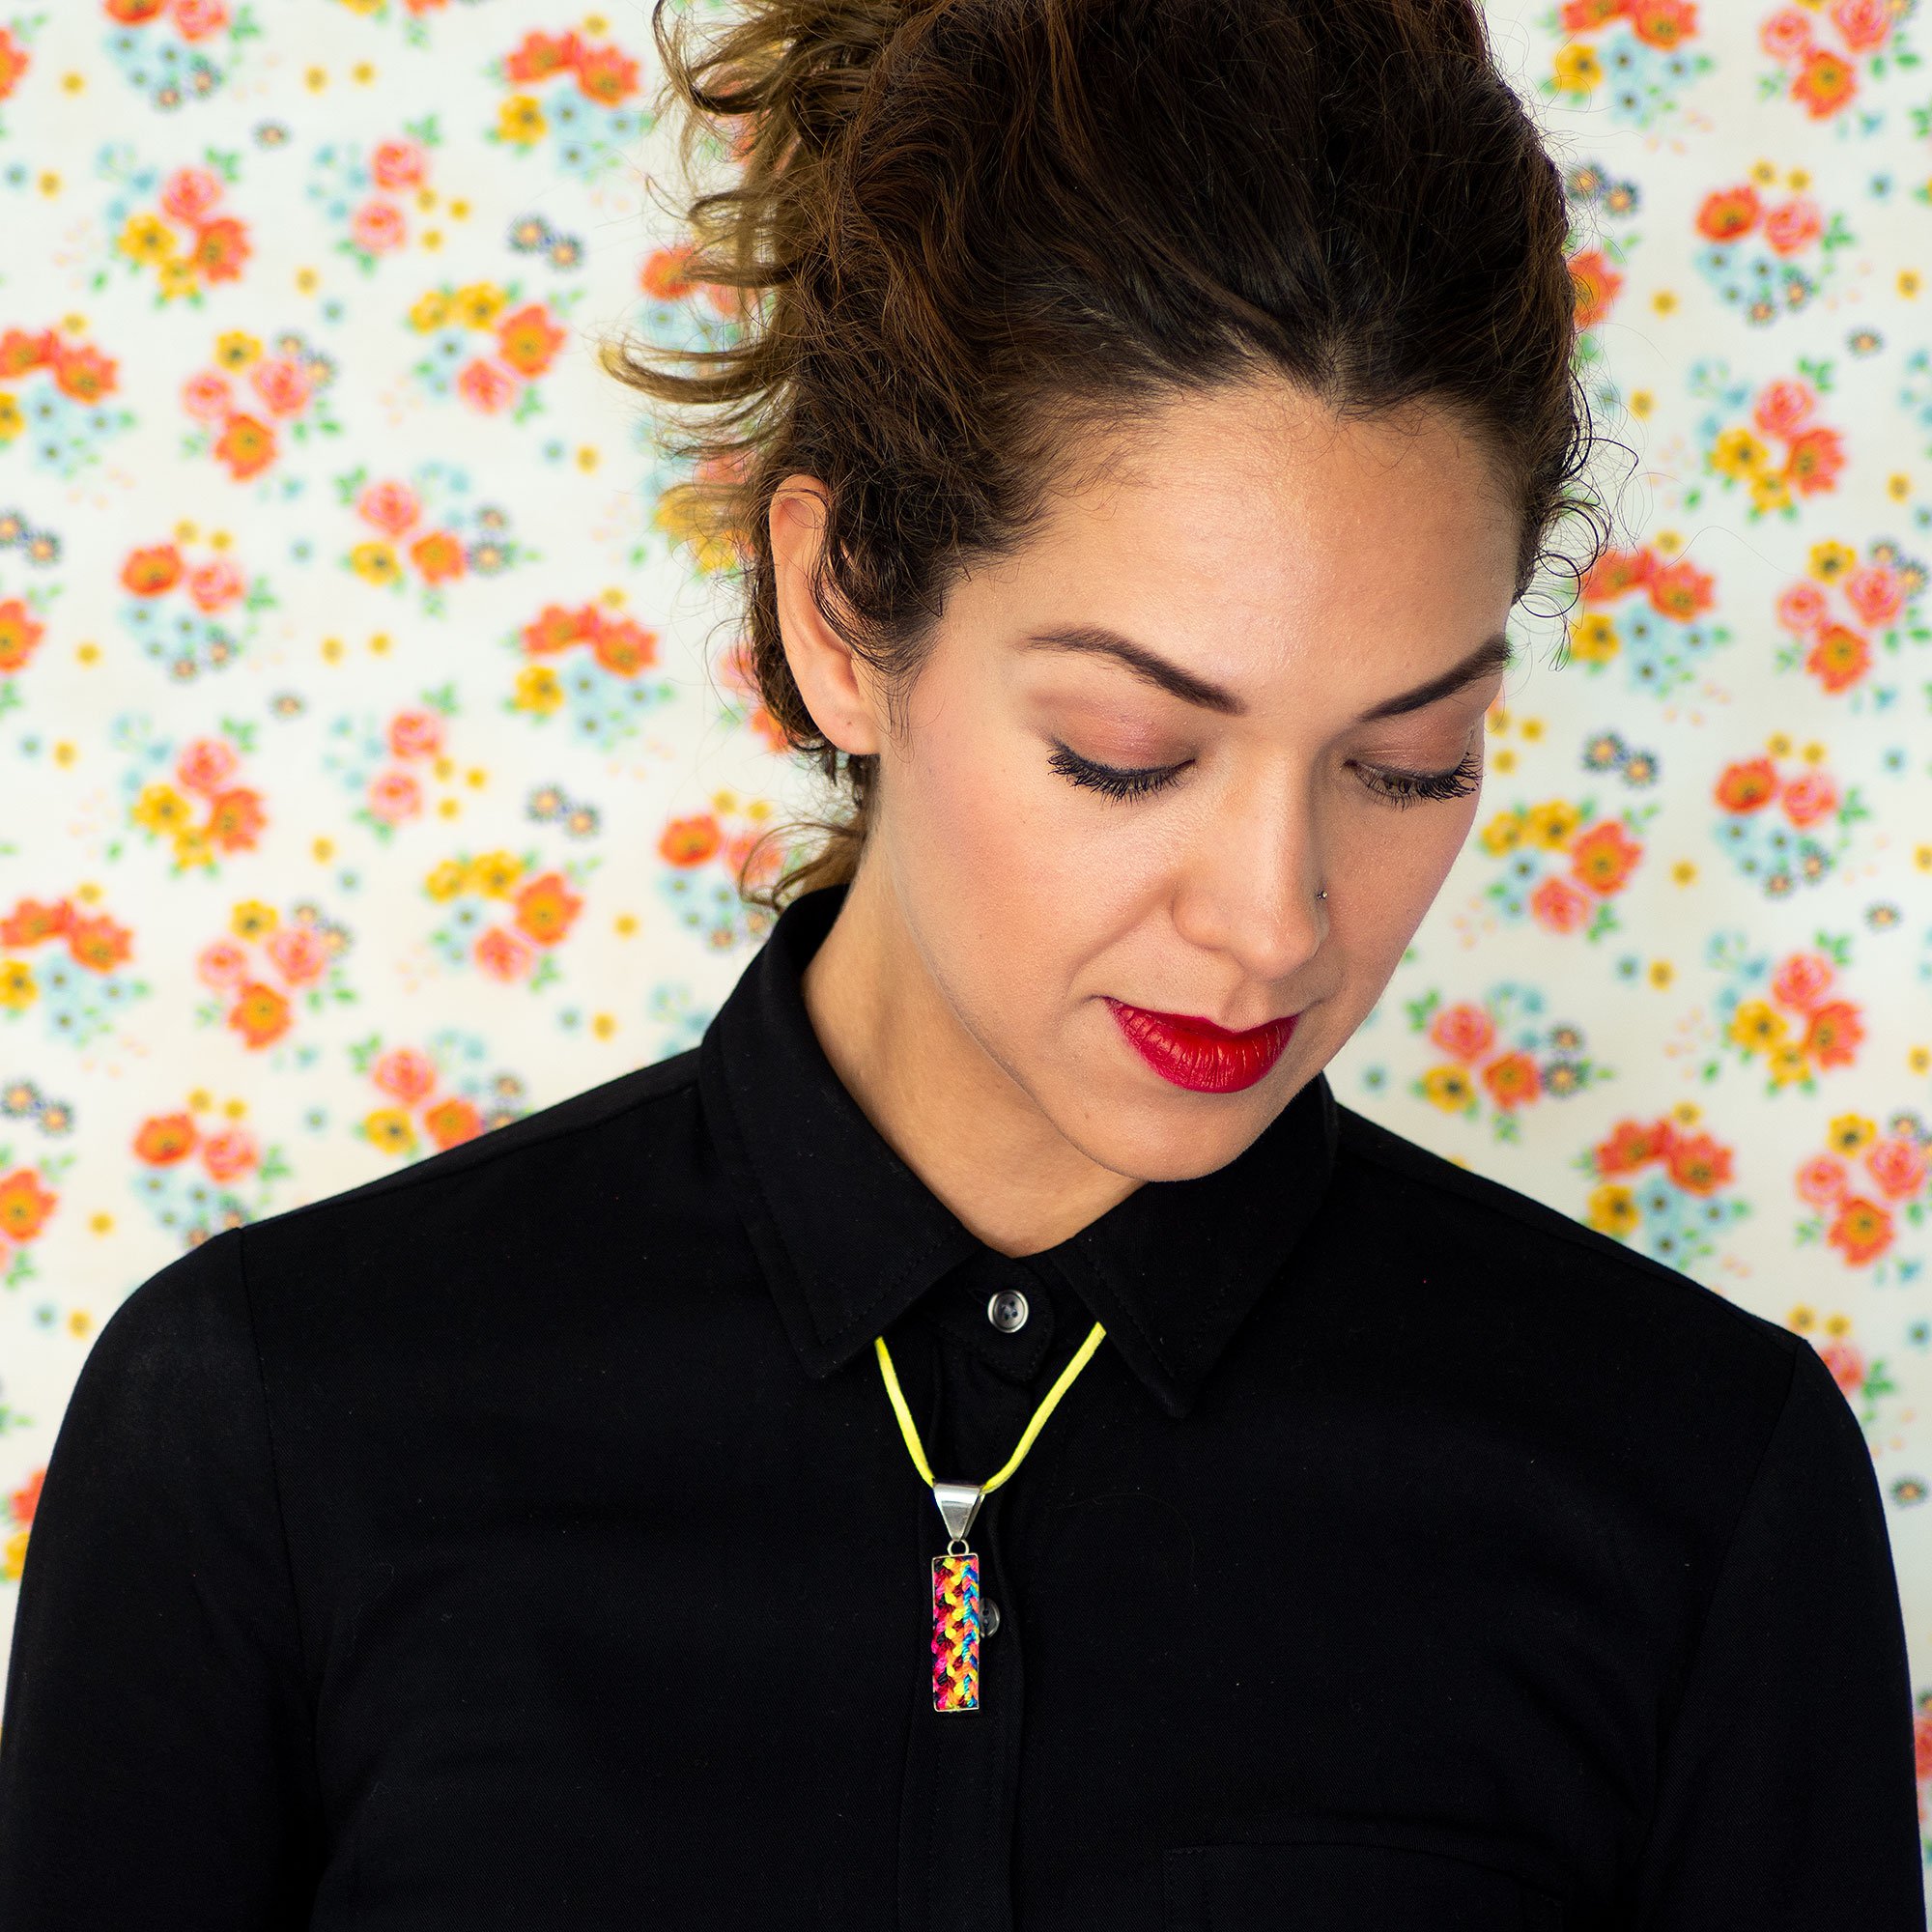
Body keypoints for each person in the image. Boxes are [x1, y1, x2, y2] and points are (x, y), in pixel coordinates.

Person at [0, 0, 1921, 1924]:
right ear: (840, 615)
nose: (1274, 918)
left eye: (1404, 762)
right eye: (1127, 750)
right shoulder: (266, 1425)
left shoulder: (1695, 1486)